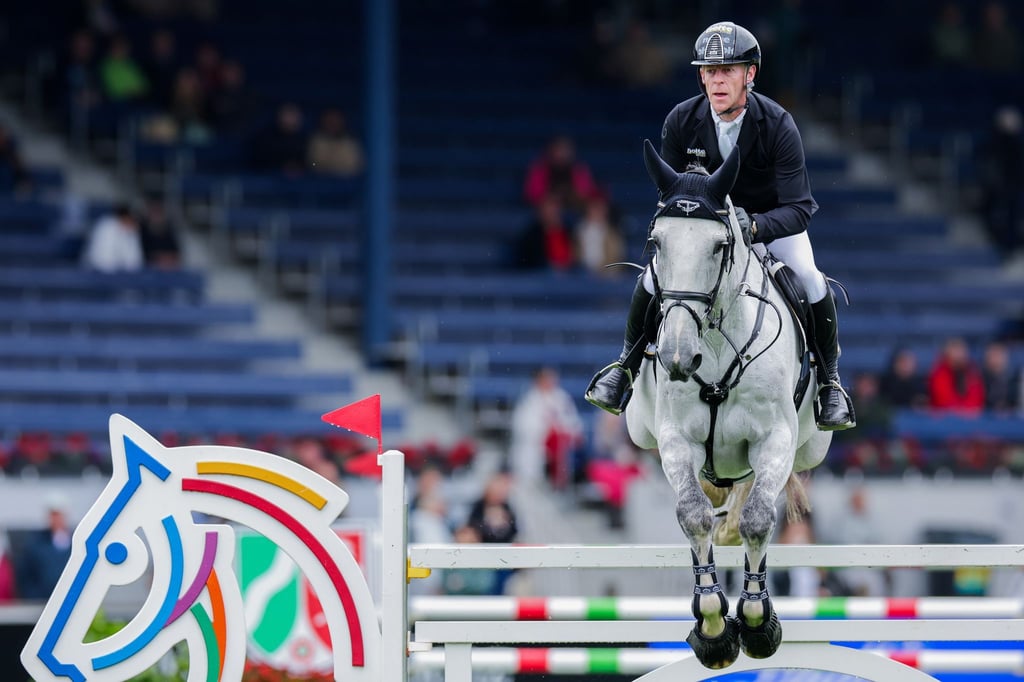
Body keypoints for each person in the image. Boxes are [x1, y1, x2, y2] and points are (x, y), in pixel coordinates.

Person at [585, 21, 855, 431]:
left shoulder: (778, 124)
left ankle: (830, 384)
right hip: (705, 231)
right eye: (710, 71)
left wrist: (755, 227)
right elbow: (672, 199)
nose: (717, 80)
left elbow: (799, 208)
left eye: (728, 70)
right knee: (653, 279)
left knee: (811, 280)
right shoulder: (681, 121)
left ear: (750, 74)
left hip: (770, 226)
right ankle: (624, 366)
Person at [509, 366, 584, 487]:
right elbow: (523, 427)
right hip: (535, 449)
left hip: (559, 450)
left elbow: (573, 422)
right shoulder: (529, 400)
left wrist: (561, 430)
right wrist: (546, 431)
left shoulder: (562, 398)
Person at [977, 105, 1023, 255]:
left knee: (1011, 218)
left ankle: (1009, 246)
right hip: (1000, 187)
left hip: (1011, 186)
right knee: (998, 216)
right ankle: (1003, 245)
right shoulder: (996, 142)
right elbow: (991, 165)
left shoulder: (1015, 143)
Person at [16, 495, 73, 600]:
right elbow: (25, 575)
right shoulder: (34, 544)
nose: (56, 519)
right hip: (42, 602)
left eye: (59, 515)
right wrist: (33, 597)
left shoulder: (75, 541)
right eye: (53, 515)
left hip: (70, 600)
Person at [522, 135, 600, 210]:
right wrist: (552, 197)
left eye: (565, 150)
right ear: (551, 151)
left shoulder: (579, 170)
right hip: (546, 208)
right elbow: (533, 194)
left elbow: (586, 193)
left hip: (575, 207)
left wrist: (572, 194)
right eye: (559, 150)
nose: (562, 154)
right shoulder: (539, 169)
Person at [928, 337, 985, 414]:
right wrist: (960, 411)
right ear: (947, 353)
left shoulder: (972, 371)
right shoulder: (939, 373)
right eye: (955, 350)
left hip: (969, 418)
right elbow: (942, 400)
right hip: (944, 420)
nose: (958, 355)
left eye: (961, 351)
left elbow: (976, 397)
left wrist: (967, 411)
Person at [81, 203, 144, 272]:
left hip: (119, 275)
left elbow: (135, 263)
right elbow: (102, 262)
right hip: (94, 273)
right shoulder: (106, 226)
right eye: (133, 219)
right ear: (125, 216)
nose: (136, 224)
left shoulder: (132, 232)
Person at [308, 108, 365, 177]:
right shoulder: (317, 141)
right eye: (329, 121)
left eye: (336, 120)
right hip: (320, 181)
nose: (333, 124)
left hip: (346, 182)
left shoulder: (350, 142)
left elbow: (355, 166)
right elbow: (314, 163)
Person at [138, 194, 182, 269]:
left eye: (159, 210)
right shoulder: (141, 230)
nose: (156, 214)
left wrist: (168, 259)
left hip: (168, 269)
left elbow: (176, 254)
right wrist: (158, 259)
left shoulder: (170, 229)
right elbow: (139, 255)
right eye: (154, 210)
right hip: (147, 270)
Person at [981, 340, 1020, 413]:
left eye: (999, 355)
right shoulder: (979, 379)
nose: (996, 359)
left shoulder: (1015, 379)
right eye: (992, 355)